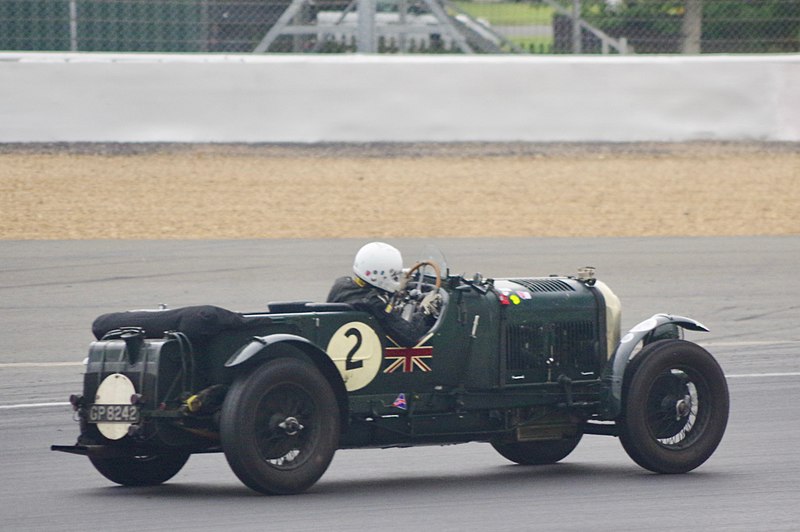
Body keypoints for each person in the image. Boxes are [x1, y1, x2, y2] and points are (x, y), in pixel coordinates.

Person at [327, 242, 436, 347]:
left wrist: (396, 291)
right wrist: (424, 311)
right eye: (393, 275)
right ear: (379, 275)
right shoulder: (374, 303)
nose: (396, 279)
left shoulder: (341, 284)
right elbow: (410, 335)